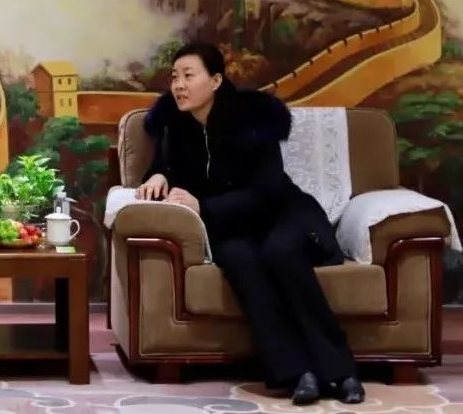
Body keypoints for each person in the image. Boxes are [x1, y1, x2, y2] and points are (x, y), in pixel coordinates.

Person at [135, 42, 365, 406]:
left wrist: (203, 206)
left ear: (215, 81)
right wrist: (159, 174)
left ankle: (341, 372)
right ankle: (297, 373)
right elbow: (166, 164)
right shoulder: (175, 125)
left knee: (280, 252)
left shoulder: (252, 120)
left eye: (188, 76)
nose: (178, 85)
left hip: (281, 213)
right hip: (230, 227)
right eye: (174, 77)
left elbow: (268, 190)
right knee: (239, 259)